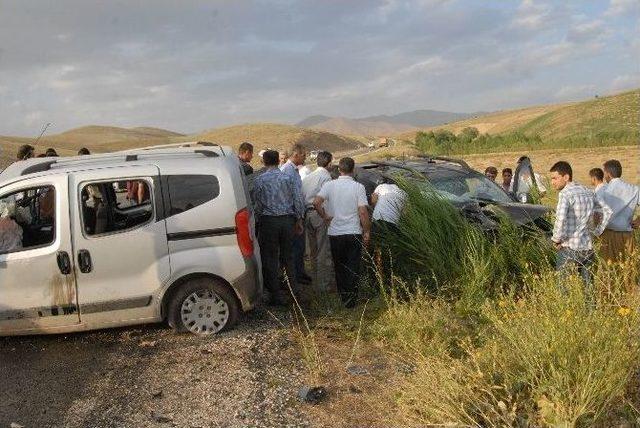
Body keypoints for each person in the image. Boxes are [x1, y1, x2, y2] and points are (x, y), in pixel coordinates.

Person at [314, 157, 370, 308]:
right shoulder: (358, 187)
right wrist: (366, 231)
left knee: (339, 266)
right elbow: (363, 212)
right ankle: (351, 300)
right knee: (353, 265)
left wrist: (324, 216)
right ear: (353, 170)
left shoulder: (329, 185)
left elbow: (316, 202)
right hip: (353, 232)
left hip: (335, 233)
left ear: (339, 169)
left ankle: (343, 296)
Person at [549, 161, 610, 297]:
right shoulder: (587, 191)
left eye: (555, 178)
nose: (552, 182)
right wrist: (597, 231)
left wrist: (556, 239)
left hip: (569, 248)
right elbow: (607, 211)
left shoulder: (565, 194)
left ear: (566, 177)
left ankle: (566, 315)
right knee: (589, 288)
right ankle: (592, 315)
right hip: (588, 248)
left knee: (563, 288)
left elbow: (560, 219)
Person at [253, 150, 305, 305]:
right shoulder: (288, 177)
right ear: (277, 161)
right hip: (287, 221)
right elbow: (297, 198)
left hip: (269, 222)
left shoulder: (260, 180)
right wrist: (299, 219)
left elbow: (258, 203)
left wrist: (258, 219)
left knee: (270, 257)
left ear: (264, 162)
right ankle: (293, 290)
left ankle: (275, 294)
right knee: (288, 256)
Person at [302, 151, 335, 292]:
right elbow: (326, 200)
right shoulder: (326, 177)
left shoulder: (308, 177)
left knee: (313, 252)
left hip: (307, 215)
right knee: (323, 252)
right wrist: (327, 216)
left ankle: (316, 284)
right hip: (320, 214)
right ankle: (324, 287)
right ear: (329, 163)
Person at [599, 160, 640, 268]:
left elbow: (596, 214)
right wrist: (638, 221)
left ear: (608, 173)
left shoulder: (603, 191)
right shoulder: (634, 189)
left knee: (608, 272)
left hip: (608, 235)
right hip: (627, 235)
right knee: (629, 271)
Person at [281, 144, 312, 284]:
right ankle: (295, 277)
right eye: (303, 155)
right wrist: (298, 217)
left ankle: (300, 273)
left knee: (300, 247)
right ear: (295, 154)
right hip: (293, 216)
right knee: (296, 248)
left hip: (296, 215)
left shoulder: (293, 170)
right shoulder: (288, 171)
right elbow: (293, 197)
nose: (305, 157)